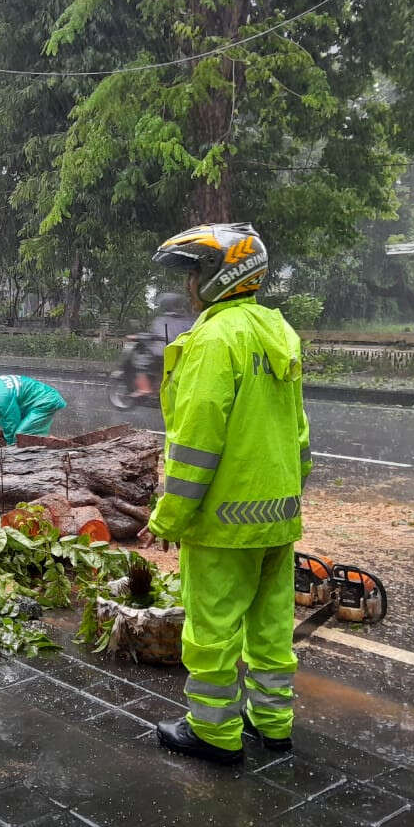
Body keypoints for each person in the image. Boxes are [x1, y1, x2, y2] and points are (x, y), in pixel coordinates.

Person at [141, 222, 312, 766]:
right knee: (271, 629)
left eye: (194, 272)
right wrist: (286, 495)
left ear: (219, 275)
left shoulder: (215, 340)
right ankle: (274, 724)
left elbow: (195, 445)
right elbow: (299, 435)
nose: (189, 284)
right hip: (278, 518)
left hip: (222, 522)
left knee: (212, 632)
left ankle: (214, 733)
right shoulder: (278, 334)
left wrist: (168, 518)